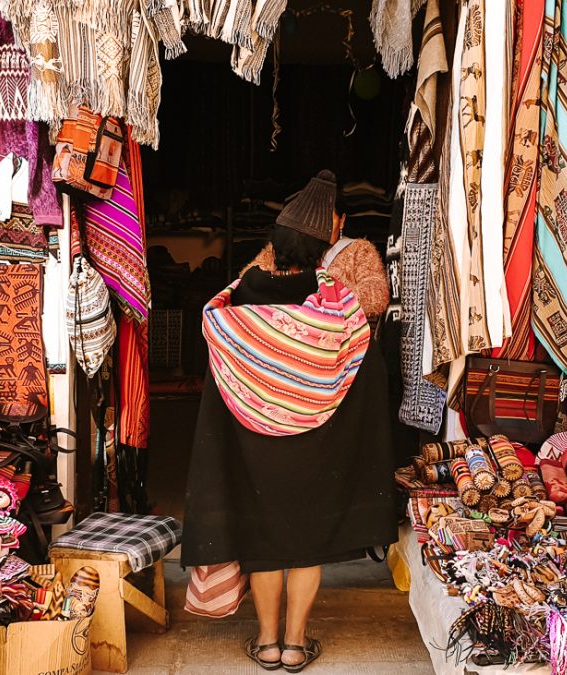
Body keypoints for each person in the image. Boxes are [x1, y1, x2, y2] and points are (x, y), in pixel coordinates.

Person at [182, 170, 397, 672]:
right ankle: (297, 644)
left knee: (262, 544)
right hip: (316, 444)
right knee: (304, 544)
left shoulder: (236, 300)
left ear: (275, 241)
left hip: (252, 448)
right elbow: (366, 366)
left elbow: (219, 378)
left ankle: (268, 643)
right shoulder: (337, 306)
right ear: (325, 244)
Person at [242, 171, 389, 322]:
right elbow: (248, 278)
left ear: (342, 220)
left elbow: (376, 294)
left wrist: (322, 302)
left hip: (337, 330)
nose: (323, 227)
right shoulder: (287, 246)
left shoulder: (359, 249)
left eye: (329, 219)